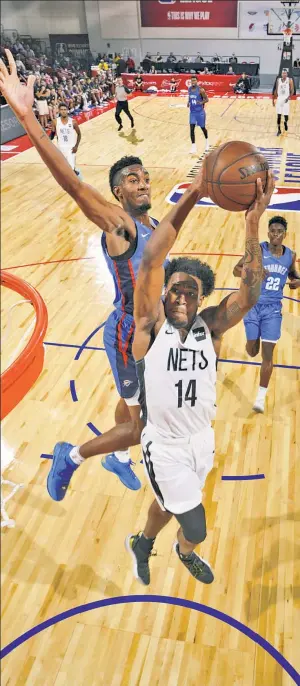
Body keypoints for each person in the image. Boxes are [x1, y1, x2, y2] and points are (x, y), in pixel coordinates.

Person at [0, 50, 166, 493]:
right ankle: (70, 456)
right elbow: (72, 185)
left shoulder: (152, 223)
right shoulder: (119, 223)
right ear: (117, 192)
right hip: (129, 333)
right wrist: (27, 116)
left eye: (145, 176)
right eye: (133, 179)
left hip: (151, 330)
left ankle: (117, 459)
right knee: (139, 422)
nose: (143, 182)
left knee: (130, 402)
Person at [125, 168, 275, 586]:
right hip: (166, 445)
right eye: (175, 289)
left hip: (201, 441)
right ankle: (182, 548)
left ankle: (142, 540)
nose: (181, 297)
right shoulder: (149, 328)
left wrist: (251, 222)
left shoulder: (210, 328)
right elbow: (153, 258)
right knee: (196, 526)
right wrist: (194, 191)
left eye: (191, 292)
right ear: (163, 292)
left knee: (169, 502)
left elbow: (250, 295)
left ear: (201, 298)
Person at [233, 215, 299, 413]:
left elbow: (293, 275)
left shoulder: (290, 255)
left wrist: (297, 282)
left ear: (285, 234)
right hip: (252, 305)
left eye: (280, 231)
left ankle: (260, 398)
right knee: (253, 350)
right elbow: (236, 270)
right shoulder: (258, 250)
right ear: (268, 232)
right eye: (273, 231)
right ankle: (252, 340)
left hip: (273, 310)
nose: (276, 234)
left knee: (267, 355)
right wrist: (253, 271)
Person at [50, 102, 81, 174]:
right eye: (61, 109)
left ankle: (74, 178)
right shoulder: (55, 122)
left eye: (65, 109)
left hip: (71, 148)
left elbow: (79, 134)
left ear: (67, 110)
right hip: (60, 148)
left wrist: (76, 146)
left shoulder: (73, 122)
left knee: (71, 170)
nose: (63, 111)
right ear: (59, 111)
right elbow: (52, 134)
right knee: (62, 170)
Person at [187, 75, 209, 155]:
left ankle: (207, 142)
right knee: (191, 129)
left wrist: (201, 102)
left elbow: (206, 99)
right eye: (192, 81)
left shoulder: (201, 90)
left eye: (194, 80)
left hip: (200, 112)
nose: (193, 82)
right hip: (192, 112)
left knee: (203, 128)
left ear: (197, 81)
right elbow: (190, 97)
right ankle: (193, 146)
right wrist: (188, 102)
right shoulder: (189, 89)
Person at [273, 69, 294, 136]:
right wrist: (274, 99)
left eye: (285, 73)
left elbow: (292, 90)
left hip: (286, 99)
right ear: (281, 74)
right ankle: (279, 130)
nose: (284, 74)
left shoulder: (290, 80)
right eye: (283, 73)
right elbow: (276, 90)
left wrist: (288, 98)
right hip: (279, 99)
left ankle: (285, 122)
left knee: (286, 115)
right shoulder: (278, 80)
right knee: (278, 115)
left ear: (287, 74)